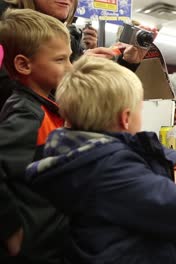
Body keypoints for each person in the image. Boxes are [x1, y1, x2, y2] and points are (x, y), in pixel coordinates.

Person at [26, 55, 176, 264]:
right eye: (140, 108)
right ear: (126, 118)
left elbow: (141, 145)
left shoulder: (78, 151)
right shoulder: (109, 168)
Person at [0, 8, 72, 262]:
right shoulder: (27, 114)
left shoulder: (46, 107)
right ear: (23, 64)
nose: (70, 67)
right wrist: (11, 232)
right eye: (60, 60)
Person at [0, 0, 156, 108]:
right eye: (60, 59)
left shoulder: (70, 38)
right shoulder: (6, 30)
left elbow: (91, 105)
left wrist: (128, 62)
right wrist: (75, 72)